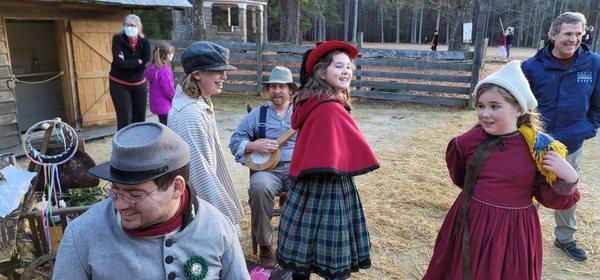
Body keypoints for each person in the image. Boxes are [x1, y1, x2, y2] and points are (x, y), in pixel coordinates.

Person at [423, 61, 580, 280]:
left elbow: (551, 200)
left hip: (515, 231)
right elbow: (461, 177)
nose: (485, 113)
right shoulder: (467, 141)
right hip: (471, 221)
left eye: (495, 106)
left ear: (518, 108)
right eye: (480, 106)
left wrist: (570, 177)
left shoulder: (539, 148)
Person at [53, 122, 250, 280]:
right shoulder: (81, 234)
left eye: (135, 195)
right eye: (115, 190)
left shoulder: (218, 228)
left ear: (176, 188)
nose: (119, 205)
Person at [276, 40, 379, 280]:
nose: (346, 71)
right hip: (331, 186)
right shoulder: (330, 108)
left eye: (349, 67)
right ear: (323, 72)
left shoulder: (312, 101)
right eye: (339, 66)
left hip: (305, 186)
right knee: (333, 248)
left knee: (303, 246)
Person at [522, 12, 600, 261]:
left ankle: (565, 238)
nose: (574, 39)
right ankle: (520, 234)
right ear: (553, 34)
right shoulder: (531, 67)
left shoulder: (594, 64)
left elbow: (597, 103)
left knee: (567, 190)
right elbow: (521, 106)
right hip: (536, 145)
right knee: (527, 190)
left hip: (571, 144)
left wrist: (589, 127)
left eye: (579, 34)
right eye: (567, 33)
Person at [168, 41, 244, 237]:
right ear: (197, 74)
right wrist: (221, 220)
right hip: (200, 210)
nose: (224, 77)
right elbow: (199, 173)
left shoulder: (198, 103)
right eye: (218, 71)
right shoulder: (189, 114)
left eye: (224, 71)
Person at [229, 66, 297, 268]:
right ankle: (266, 246)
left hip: (296, 167)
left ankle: (296, 242)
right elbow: (235, 141)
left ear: (290, 90)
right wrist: (253, 145)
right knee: (258, 188)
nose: (277, 91)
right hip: (268, 170)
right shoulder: (258, 114)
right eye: (273, 86)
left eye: (282, 87)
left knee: (308, 186)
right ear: (269, 90)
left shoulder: (301, 112)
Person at [109, 14, 151, 131]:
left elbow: (146, 62)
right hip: (119, 83)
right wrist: (138, 61)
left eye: (132, 25)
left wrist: (127, 62)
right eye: (127, 24)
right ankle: (124, 147)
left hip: (139, 84)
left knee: (140, 119)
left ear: (138, 27)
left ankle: (139, 146)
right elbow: (118, 63)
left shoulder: (144, 42)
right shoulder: (118, 39)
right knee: (125, 119)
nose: (129, 27)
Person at [145, 41, 176, 126]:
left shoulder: (152, 68)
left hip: (157, 105)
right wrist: (176, 98)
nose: (172, 55)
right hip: (165, 106)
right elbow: (168, 90)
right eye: (171, 53)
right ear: (165, 55)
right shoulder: (164, 71)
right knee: (169, 127)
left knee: (163, 123)